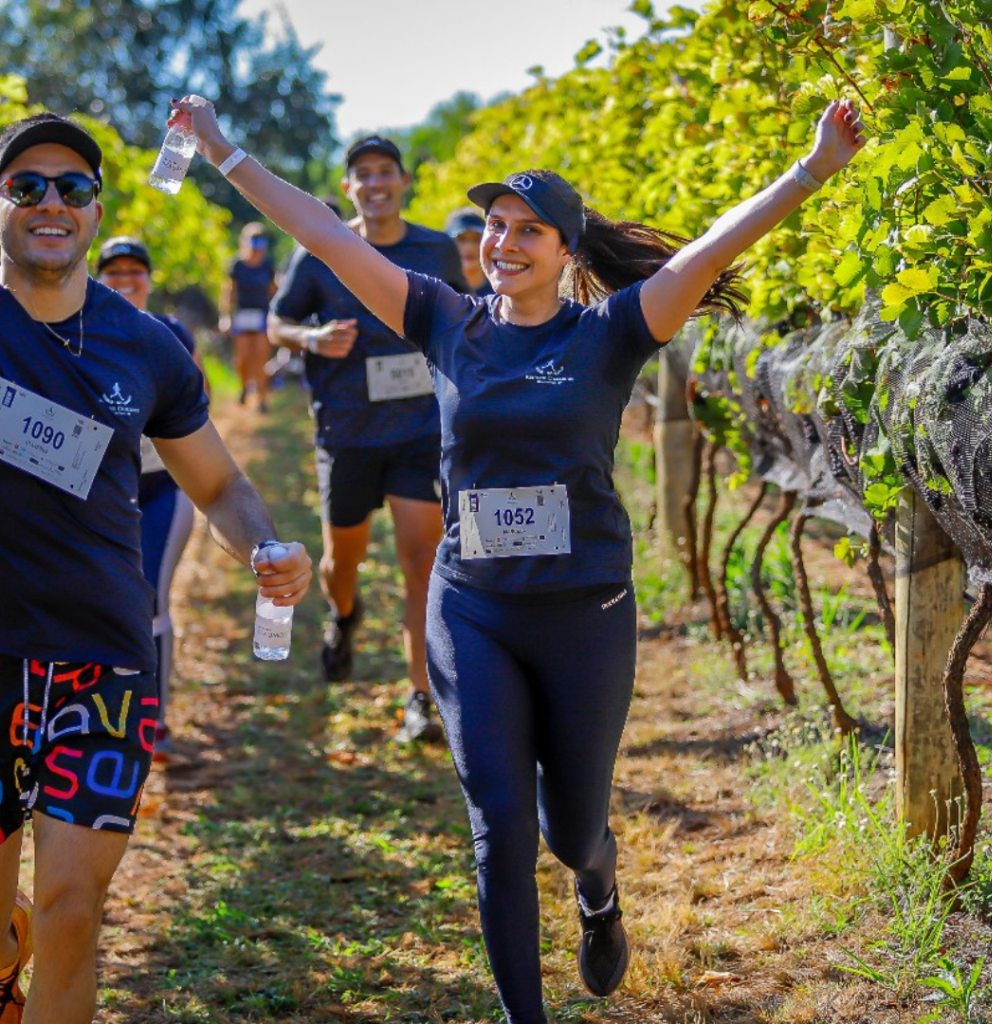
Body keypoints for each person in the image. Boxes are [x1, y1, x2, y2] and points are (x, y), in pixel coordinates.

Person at [173, 92, 865, 1024]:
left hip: (585, 612)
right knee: (498, 829)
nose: (503, 242)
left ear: (566, 252)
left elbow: (711, 251)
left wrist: (814, 168)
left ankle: (598, 888)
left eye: (529, 230)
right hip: (475, 610)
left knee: (570, 826)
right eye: (495, 226)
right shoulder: (445, 320)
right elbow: (327, 235)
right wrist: (223, 151)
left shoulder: (611, 330)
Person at [0, 111, 312, 1023]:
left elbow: (217, 484)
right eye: (26, 186)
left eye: (73, 187)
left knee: (71, 911)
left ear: (97, 210)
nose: (50, 202)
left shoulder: (148, 347)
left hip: (102, 661)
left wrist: (262, 544)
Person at [268, 134, 467, 742]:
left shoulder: (435, 249)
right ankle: (343, 614)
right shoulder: (321, 251)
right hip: (347, 429)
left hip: (417, 430)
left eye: (387, 172)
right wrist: (312, 338)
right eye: (364, 175)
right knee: (343, 561)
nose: (376, 183)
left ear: (404, 182)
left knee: (421, 560)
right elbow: (277, 324)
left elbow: (457, 323)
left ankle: (419, 699)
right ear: (349, 187)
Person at [96, 235, 208, 761]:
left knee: (151, 600)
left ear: (149, 278)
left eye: (134, 271)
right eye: (112, 271)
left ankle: (152, 719)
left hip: (163, 488)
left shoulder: (172, 334)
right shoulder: (76, 330)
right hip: (98, 495)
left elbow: (198, 402)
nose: (124, 280)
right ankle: (99, 712)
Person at [220, 221, 276, 413]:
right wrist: (226, 317)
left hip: (262, 315)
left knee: (261, 356)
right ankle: (244, 387)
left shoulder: (267, 265)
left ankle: (262, 399)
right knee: (243, 358)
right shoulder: (237, 265)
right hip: (242, 315)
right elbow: (230, 291)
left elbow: (273, 290)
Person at [444, 206, 492, 296]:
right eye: (461, 239)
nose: (470, 247)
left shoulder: (503, 293)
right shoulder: (437, 293)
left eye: (477, 239)